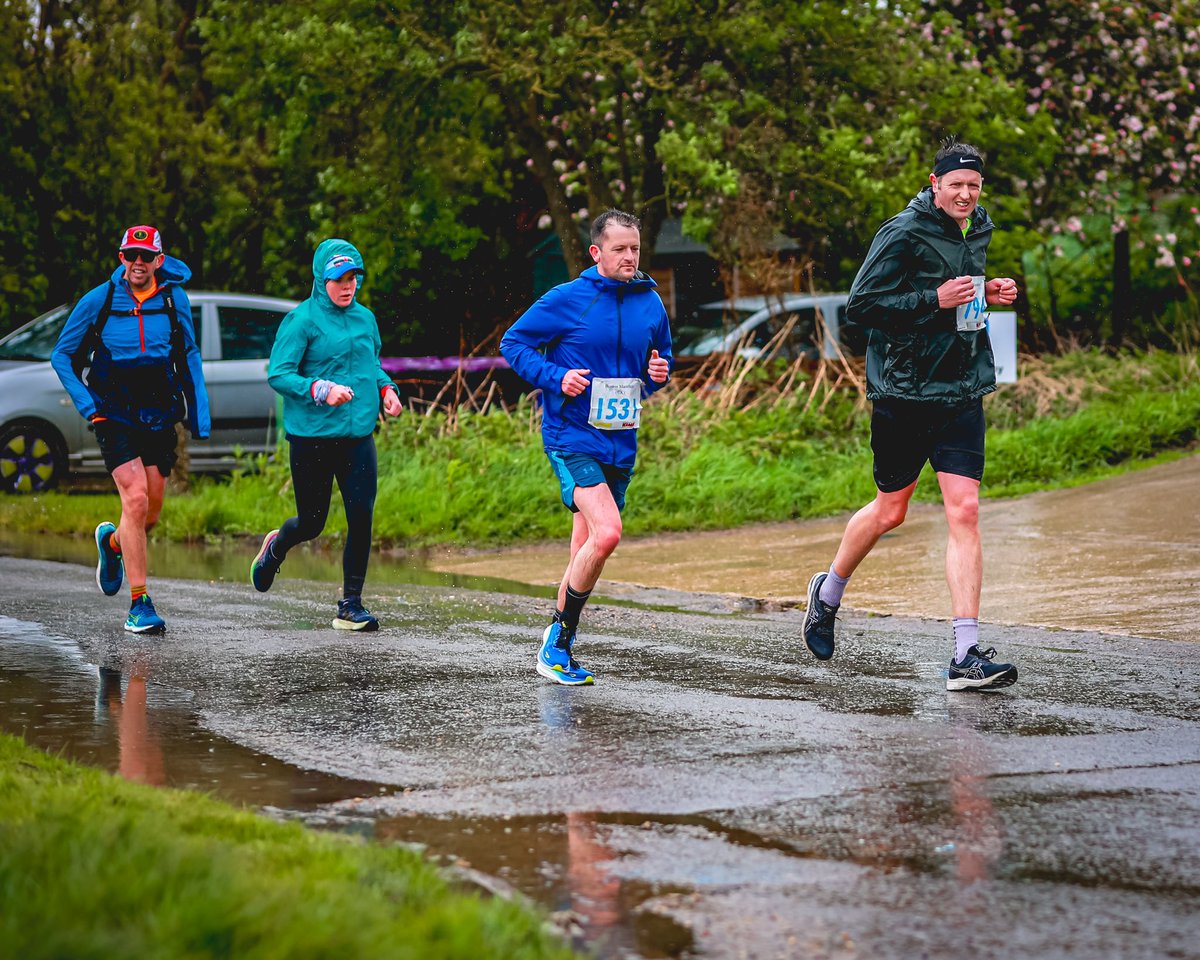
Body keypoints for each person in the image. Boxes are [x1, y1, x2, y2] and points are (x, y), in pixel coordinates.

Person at [802, 139, 1020, 691]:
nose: (966, 195)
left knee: (964, 511)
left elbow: (960, 293)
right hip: (904, 391)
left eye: (974, 186)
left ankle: (965, 655)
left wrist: (987, 291)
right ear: (934, 183)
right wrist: (933, 300)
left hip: (961, 388)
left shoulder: (979, 229)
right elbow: (862, 306)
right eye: (956, 185)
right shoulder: (901, 231)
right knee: (890, 510)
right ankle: (828, 592)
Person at [501, 209, 672, 685]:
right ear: (597, 252)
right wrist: (556, 378)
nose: (630, 256)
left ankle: (558, 647)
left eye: (635, 248)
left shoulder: (650, 304)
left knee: (585, 546)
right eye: (620, 248)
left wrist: (658, 376)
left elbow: (660, 361)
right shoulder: (568, 299)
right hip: (571, 436)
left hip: (621, 442)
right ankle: (556, 643)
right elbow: (513, 344)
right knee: (609, 533)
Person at [51, 225, 209, 634]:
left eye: (145, 256)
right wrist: (89, 407)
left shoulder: (175, 300)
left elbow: (189, 354)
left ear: (159, 260)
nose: (137, 263)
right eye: (129, 255)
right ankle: (140, 604)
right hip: (113, 410)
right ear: (121, 258)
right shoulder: (99, 300)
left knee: (150, 511)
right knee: (135, 500)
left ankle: (114, 542)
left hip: (159, 410)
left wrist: (199, 413)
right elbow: (62, 355)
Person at [249, 239, 402, 631]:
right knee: (313, 522)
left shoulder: (365, 319)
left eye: (353, 277)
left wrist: (387, 391)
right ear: (322, 279)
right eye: (339, 279)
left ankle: (351, 604)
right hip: (312, 438)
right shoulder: (302, 321)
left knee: (361, 516)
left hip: (357, 437)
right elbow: (279, 374)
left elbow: (372, 367)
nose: (348, 286)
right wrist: (320, 389)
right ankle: (276, 547)